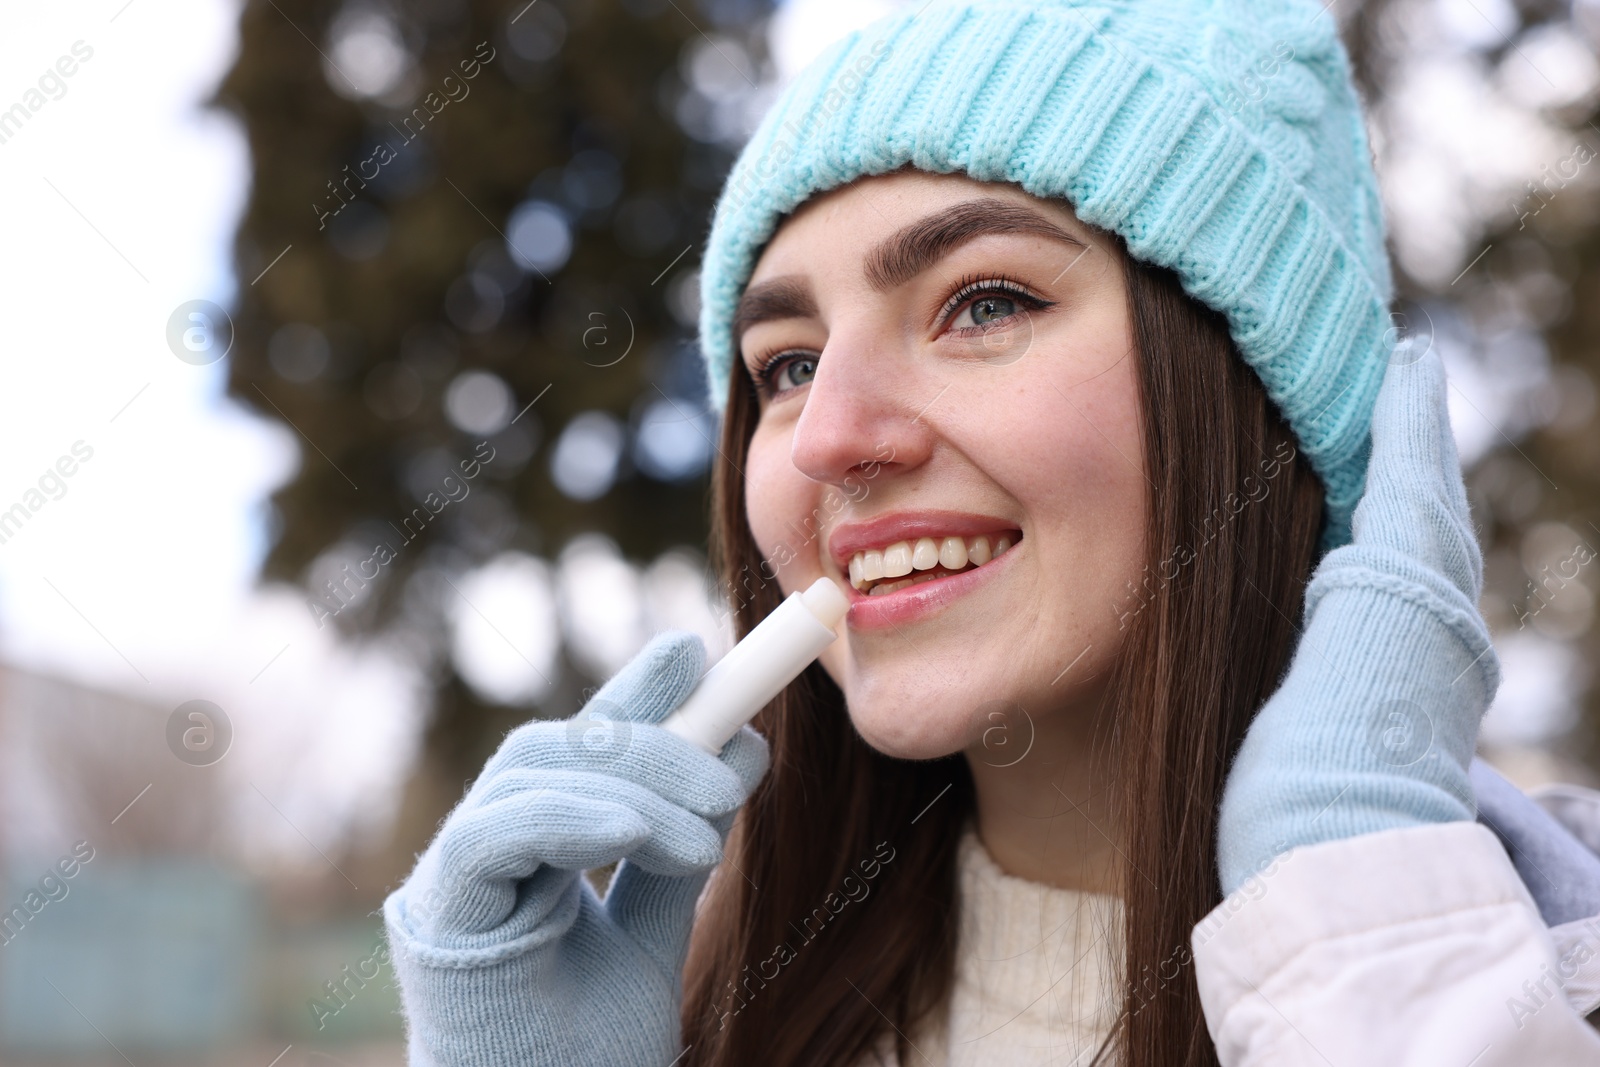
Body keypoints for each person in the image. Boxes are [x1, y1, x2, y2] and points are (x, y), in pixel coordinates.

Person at [381, 0, 1600, 1063]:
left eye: (984, 302)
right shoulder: (711, 1012)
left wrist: (1366, 942)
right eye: (786, 364)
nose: (828, 439)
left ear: (1258, 400)